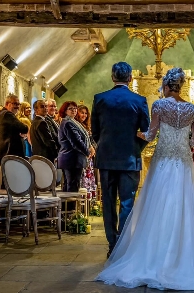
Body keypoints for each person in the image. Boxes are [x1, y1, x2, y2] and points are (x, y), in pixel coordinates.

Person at [96, 68, 194, 290]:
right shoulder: (192, 109)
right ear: (180, 86)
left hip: (162, 162)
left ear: (166, 86)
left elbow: (151, 134)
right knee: (186, 206)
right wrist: (183, 139)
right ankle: (185, 253)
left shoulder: (159, 106)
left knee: (157, 206)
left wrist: (135, 134)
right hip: (182, 163)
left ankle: (155, 254)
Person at [92, 62, 150, 258]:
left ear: (112, 77)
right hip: (129, 159)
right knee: (127, 202)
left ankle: (112, 243)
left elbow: (95, 132)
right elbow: (146, 132)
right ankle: (123, 245)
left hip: (106, 158)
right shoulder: (139, 100)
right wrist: (136, 149)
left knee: (108, 202)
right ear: (130, 78)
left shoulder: (100, 99)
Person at [58, 101, 94, 193]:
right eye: (70, 109)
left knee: (70, 186)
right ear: (65, 111)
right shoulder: (68, 123)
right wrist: (87, 152)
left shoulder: (72, 121)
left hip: (71, 159)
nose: (74, 110)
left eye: (75, 108)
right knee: (72, 188)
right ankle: (70, 207)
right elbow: (76, 142)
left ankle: (67, 207)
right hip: (72, 159)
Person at [0, 95, 28, 160]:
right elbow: (24, 128)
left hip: (6, 154)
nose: (17, 107)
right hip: (10, 153)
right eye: (15, 104)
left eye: (19, 104)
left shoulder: (1, 114)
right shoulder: (7, 114)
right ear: (7, 104)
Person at [76, 104, 98, 197]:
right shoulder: (76, 125)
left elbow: (92, 140)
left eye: (85, 113)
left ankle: (89, 204)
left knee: (89, 180)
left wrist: (94, 148)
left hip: (89, 158)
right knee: (82, 181)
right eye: (82, 113)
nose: (84, 115)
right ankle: (81, 204)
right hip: (81, 156)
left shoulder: (86, 126)